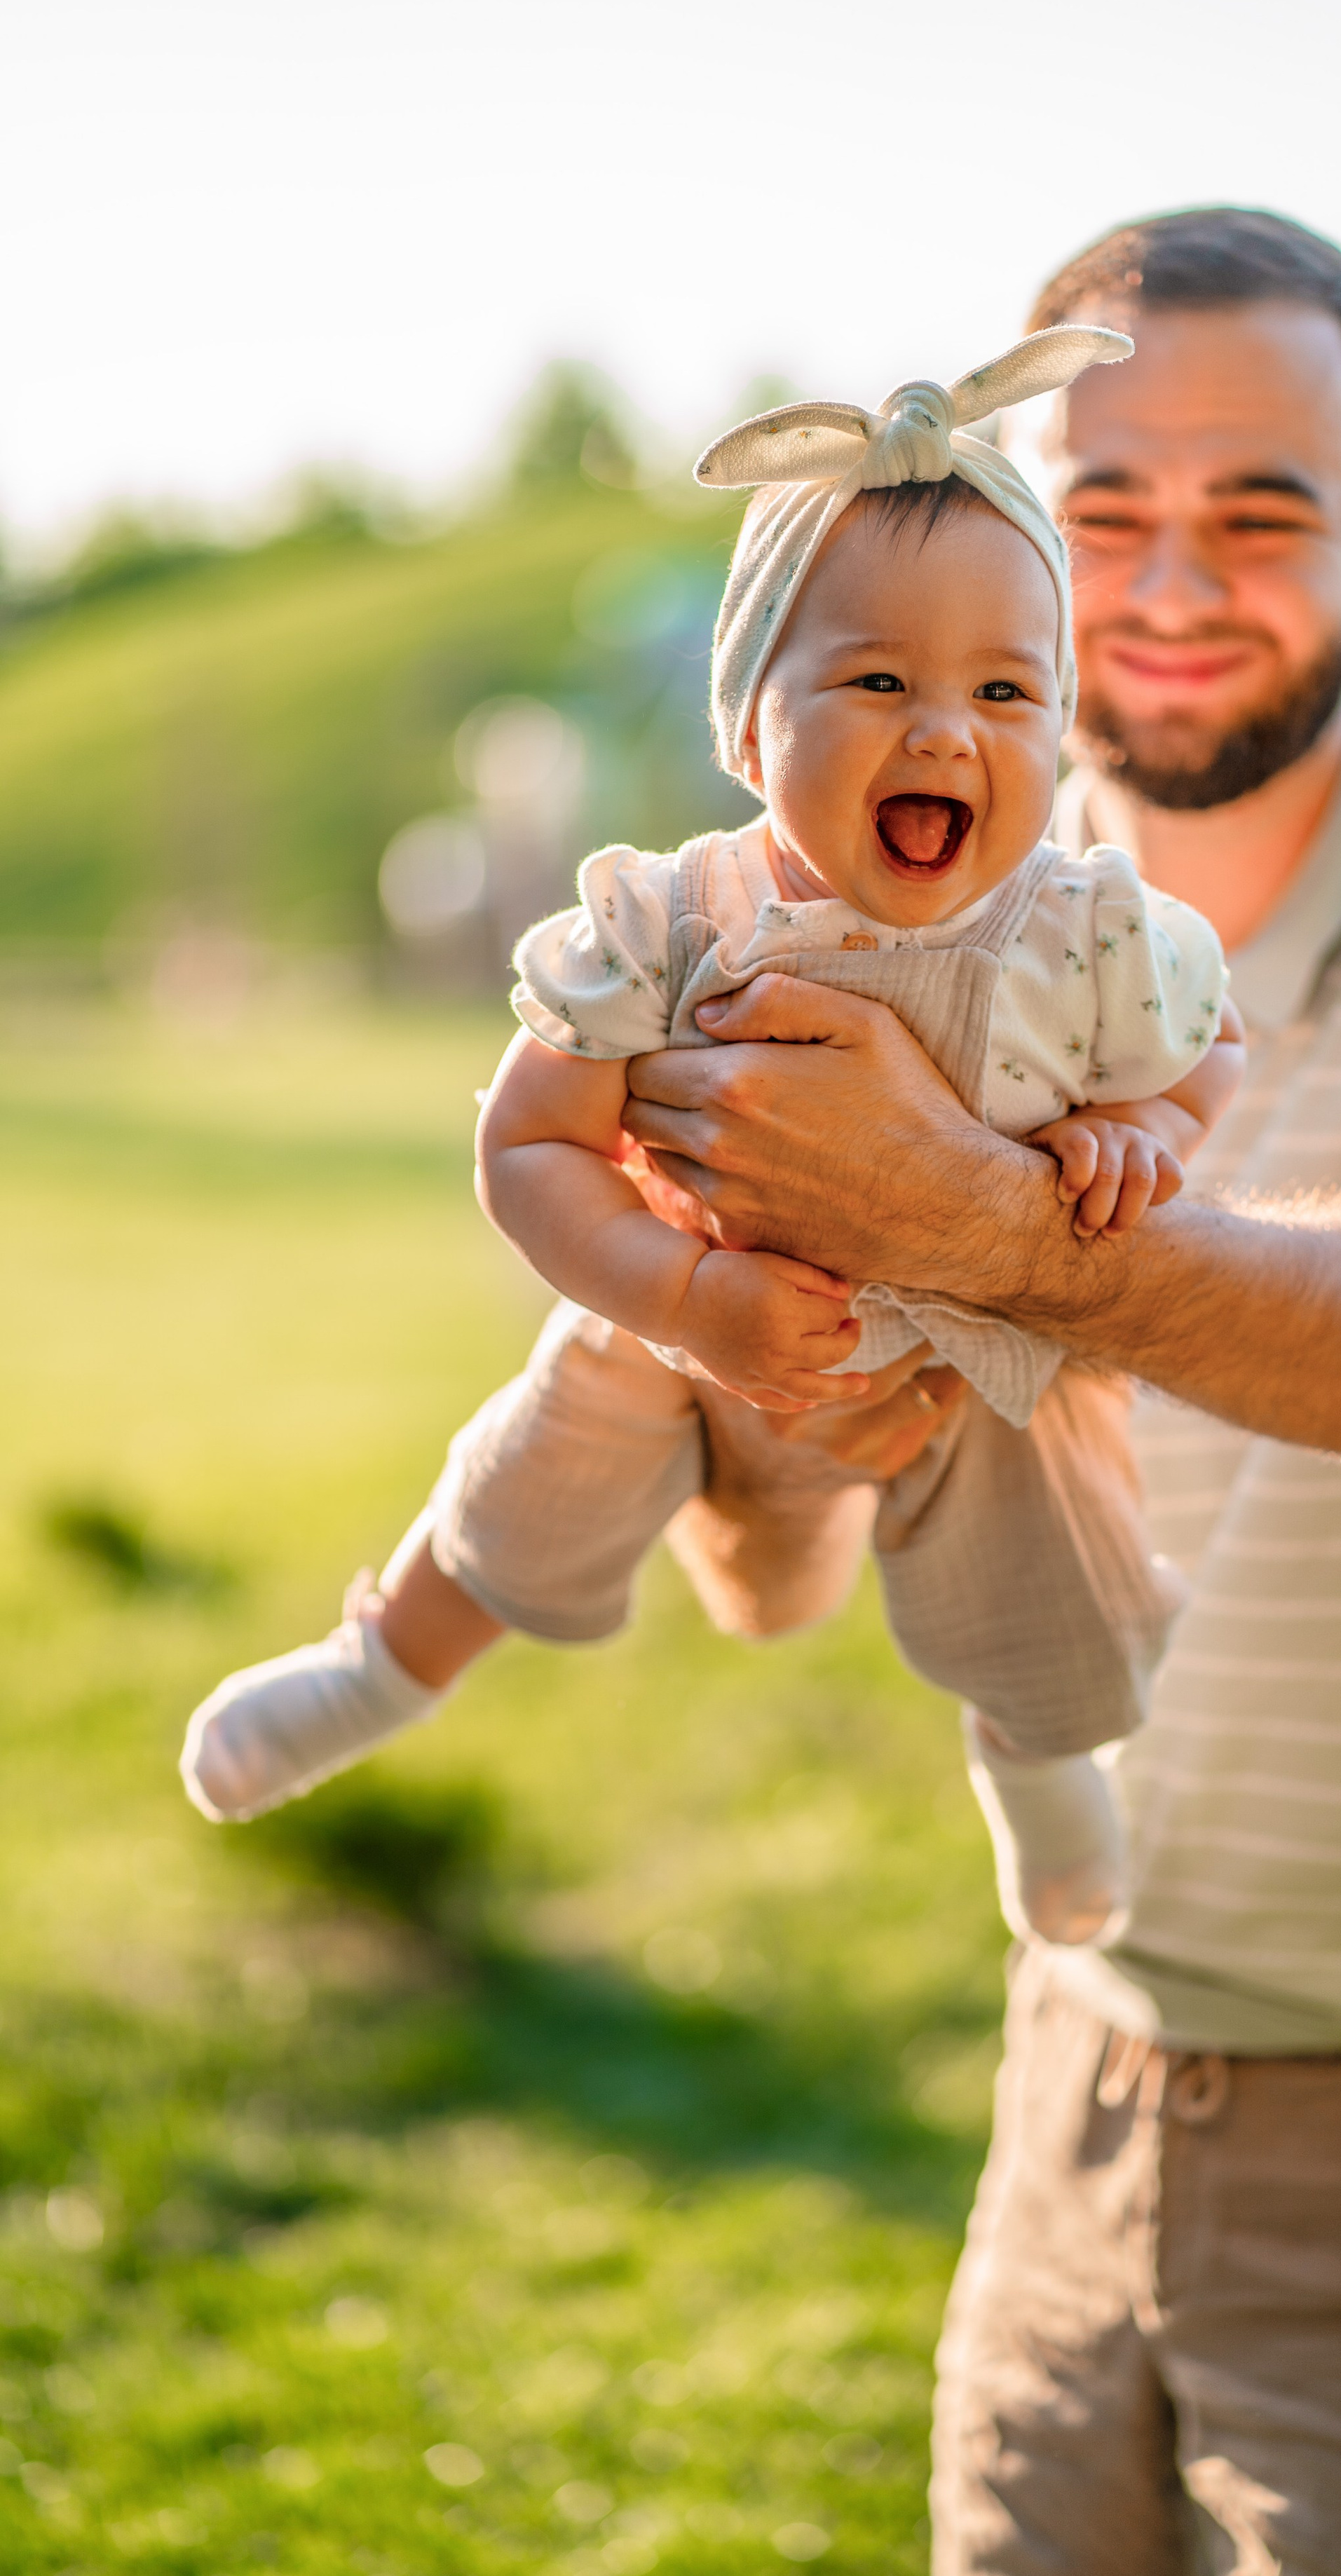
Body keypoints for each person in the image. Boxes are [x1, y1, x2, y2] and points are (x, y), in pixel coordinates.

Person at [604, 210, 1341, 2576]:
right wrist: (746, 1363)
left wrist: (964, 1222)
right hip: (1079, 2079)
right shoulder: (872, 943)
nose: (1170, 580)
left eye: (1264, 509)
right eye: (1104, 509)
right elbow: (774, 1582)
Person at [179, 324, 1244, 1950]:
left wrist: (1139, 1133)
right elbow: (531, 1144)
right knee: (557, 1438)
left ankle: (1035, 1769)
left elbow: (1205, 1054)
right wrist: (669, 1299)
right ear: (749, 729)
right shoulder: (673, 922)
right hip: (691, 1321)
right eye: (877, 679)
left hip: (971, 1341)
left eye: (1005, 689)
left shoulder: (1089, 934)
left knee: (1050, 1548)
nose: (945, 731)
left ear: (1063, 734)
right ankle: (384, 1660)